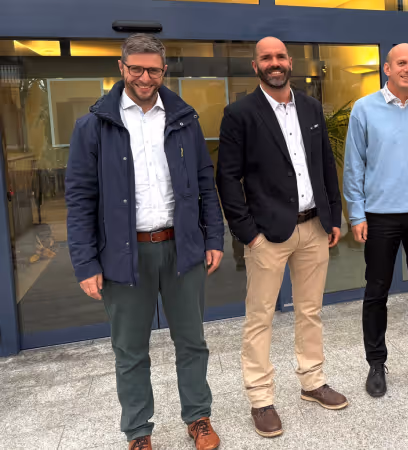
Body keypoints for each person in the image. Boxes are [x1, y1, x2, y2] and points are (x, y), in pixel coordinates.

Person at [66, 34, 224, 450]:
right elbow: (80, 198)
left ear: (164, 71)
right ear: (121, 68)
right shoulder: (94, 126)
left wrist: (213, 237)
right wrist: (86, 263)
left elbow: (205, 183)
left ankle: (198, 417)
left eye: (153, 69)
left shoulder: (184, 119)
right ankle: (138, 431)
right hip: (123, 254)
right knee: (130, 349)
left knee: (192, 342)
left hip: (181, 248)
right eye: (135, 68)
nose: (144, 77)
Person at [216, 36, 348, 438]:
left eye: (280, 56)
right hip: (267, 236)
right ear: (255, 66)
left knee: (310, 311)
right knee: (260, 317)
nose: (274, 63)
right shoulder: (239, 113)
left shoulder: (310, 107)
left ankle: (312, 381)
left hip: (314, 226)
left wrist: (333, 215)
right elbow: (227, 178)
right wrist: (248, 234)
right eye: (266, 58)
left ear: (290, 62)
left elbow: (324, 164)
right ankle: (261, 399)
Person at [343, 43, 408, 398]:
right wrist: (356, 213)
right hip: (379, 216)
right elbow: (354, 166)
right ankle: (376, 363)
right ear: (387, 68)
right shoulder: (364, 109)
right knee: (376, 292)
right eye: (401, 63)